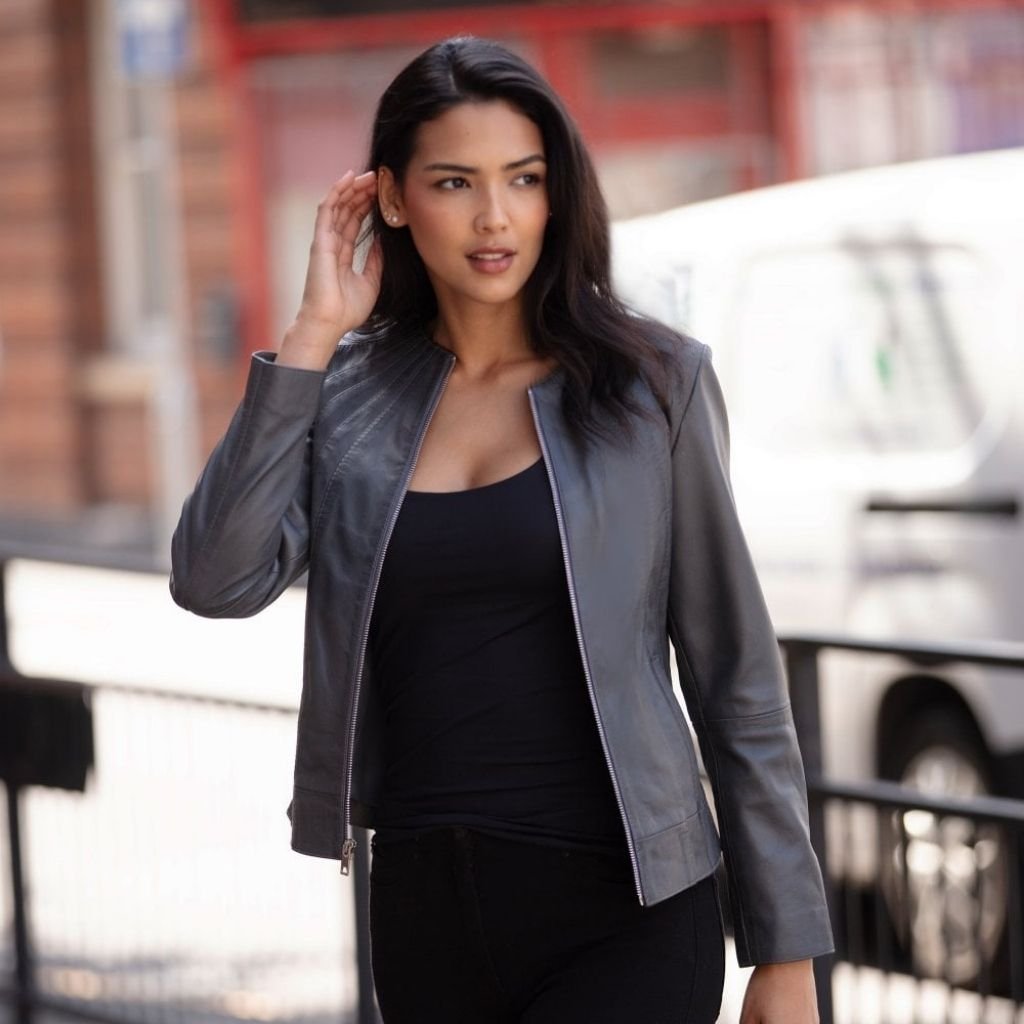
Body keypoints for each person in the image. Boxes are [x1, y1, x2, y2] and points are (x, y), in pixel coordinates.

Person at [171, 36, 834, 1024]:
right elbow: (214, 578)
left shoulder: (653, 386)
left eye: (524, 179)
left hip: (629, 908)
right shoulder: (348, 398)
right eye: (455, 182)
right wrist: (310, 340)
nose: (496, 217)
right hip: (425, 910)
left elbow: (736, 676)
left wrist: (786, 951)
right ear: (393, 199)